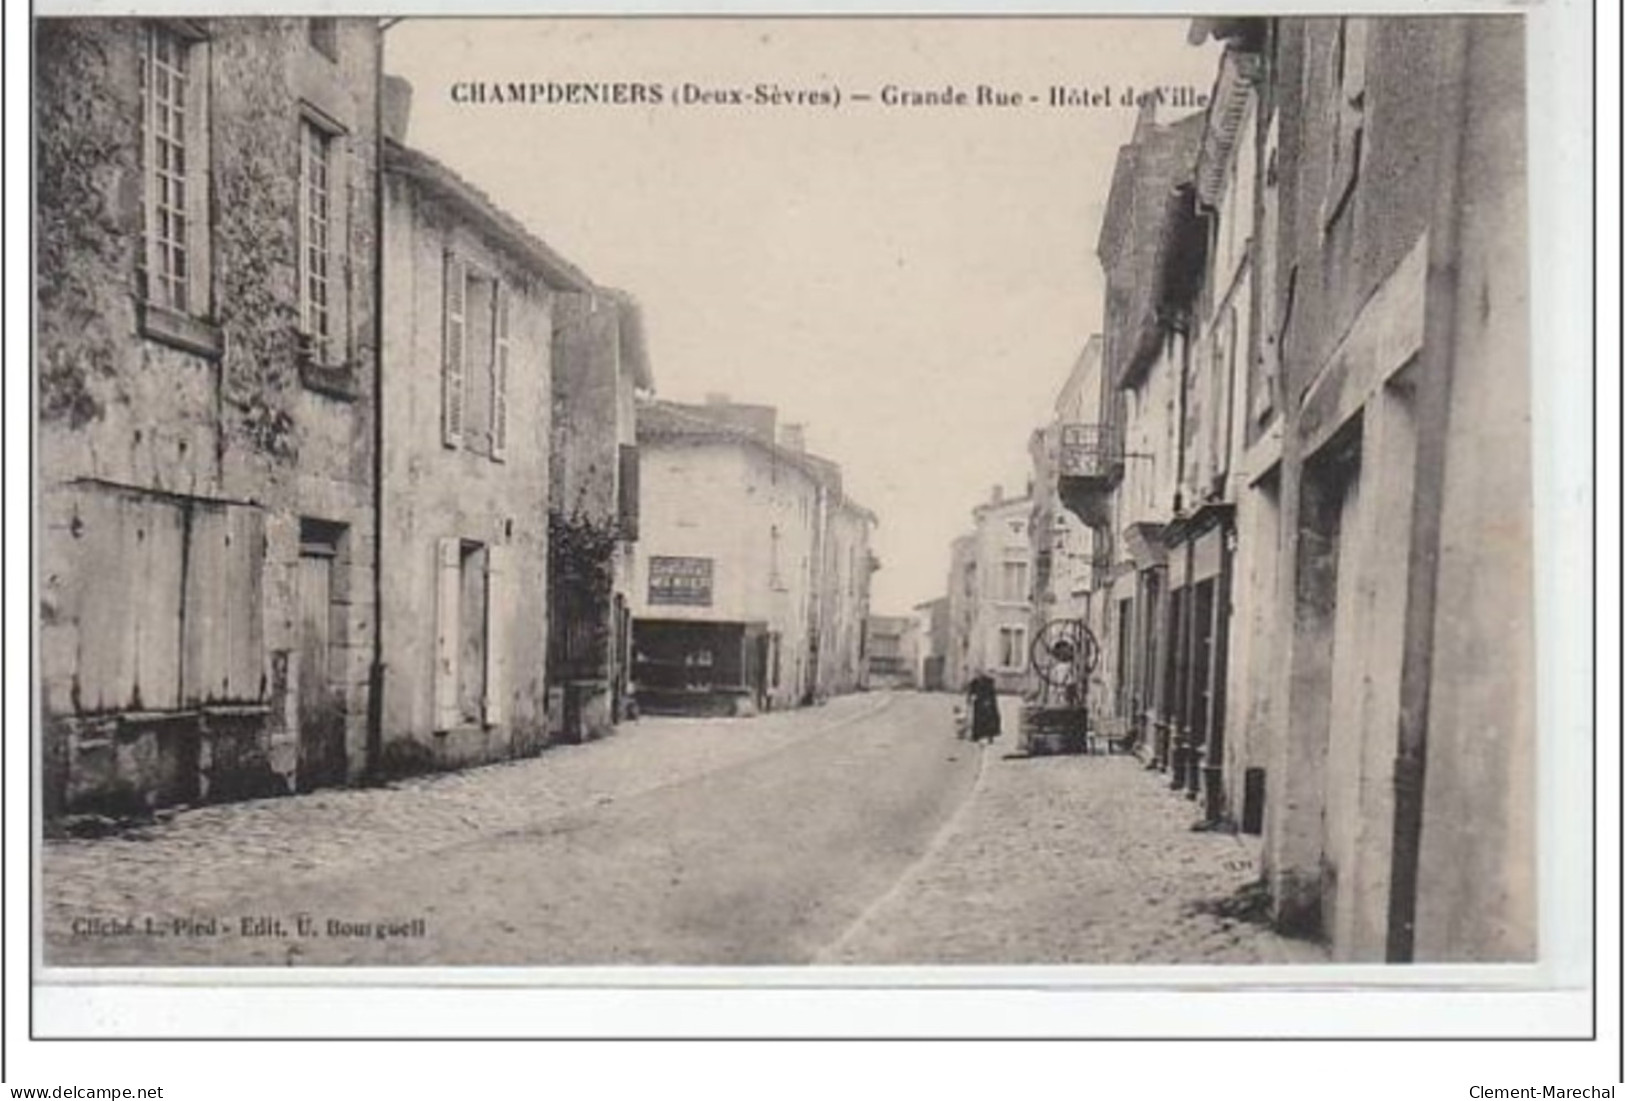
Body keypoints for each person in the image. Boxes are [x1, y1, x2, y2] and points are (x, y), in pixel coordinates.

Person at [965, 669, 1002, 744]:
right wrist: (969, 699)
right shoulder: (974, 682)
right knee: (978, 719)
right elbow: (970, 692)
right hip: (979, 703)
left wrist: (989, 702)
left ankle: (989, 736)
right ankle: (976, 735)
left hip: (988, 703)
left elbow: (992, 694)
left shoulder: (988, 682)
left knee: (989, 720)